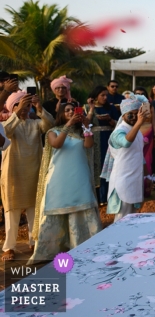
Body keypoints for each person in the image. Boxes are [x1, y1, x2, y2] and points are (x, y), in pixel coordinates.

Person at [29, 103, 102, 262]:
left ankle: (82, 246)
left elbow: (89, 145)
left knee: (81, 206)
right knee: (57, 207)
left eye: (73, 110)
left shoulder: (82, 133)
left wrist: (85, 126)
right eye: (67, 110)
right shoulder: (52, 132)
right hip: (59, 178)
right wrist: (68, 125)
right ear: (61, 114)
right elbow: (57, 144)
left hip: (79, 176)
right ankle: (54, 248)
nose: (70, 112)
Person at [1, 91, 55, 260]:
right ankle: (9, 247)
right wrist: (17, 113)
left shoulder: (35, 123)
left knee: (34, 209)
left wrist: (39, 108)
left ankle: (34, 242)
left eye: (27, 105)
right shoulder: (7, 123)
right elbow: (6, 132)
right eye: (20, 105)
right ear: (13, 107)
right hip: (13, 172)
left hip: (34, 170)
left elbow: (49, 126)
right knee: (12, 210)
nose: (25, 109)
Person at [103, 96, 149, 221]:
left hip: (134, 180)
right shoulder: (118, 131)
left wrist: (147, 176)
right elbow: (126, 143)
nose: (134, 117)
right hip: (122, 182)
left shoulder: (136, 131)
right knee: (121, 218)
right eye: (130, 115)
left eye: (137, 114)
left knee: (132, 218)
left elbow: (139, 155)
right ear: (123, 115)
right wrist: (139, 122)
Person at [84, 85, 120, 206]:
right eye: (102, 95)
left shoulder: (111, 108)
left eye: (106, 95)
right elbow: (85, 124)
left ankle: (108, 196)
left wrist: (110, 120)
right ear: (95, 96)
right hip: (94, 138)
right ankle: (97, 196)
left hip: (109, 137)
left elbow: (118, 124)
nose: (105, 97)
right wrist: (91, 109)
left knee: (109, 164)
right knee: (95, 164)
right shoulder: (87, 107)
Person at [133, 86, 155, 177]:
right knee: (136, 156)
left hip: (149, 134)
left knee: (147, 157)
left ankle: (147, 181)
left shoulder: (150, 106)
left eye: (142, 94)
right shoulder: (131, 107)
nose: (140, 96)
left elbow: (154, 122)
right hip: (135, 134)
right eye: (137, 94)